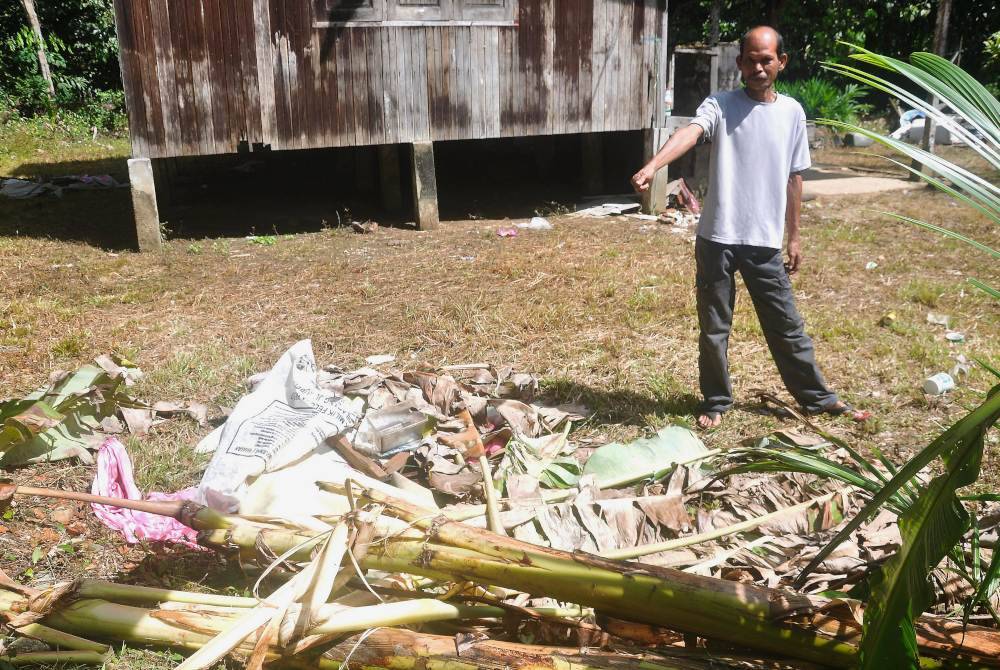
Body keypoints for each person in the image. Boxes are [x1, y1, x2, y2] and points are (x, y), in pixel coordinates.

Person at [631, 26, 860, 429]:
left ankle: (817, 398)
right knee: (714, 329)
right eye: (750, 60)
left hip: (764, 243)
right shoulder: (720, 105)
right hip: (716, 239)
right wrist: (653, 165)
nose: (758, 68)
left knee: (786, 326)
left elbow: (794, 177)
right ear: (739, 63)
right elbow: (690, 132)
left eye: (766, 60)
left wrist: (794, 237)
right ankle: (716, 401)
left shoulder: (792, 113)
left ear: (781, 62)